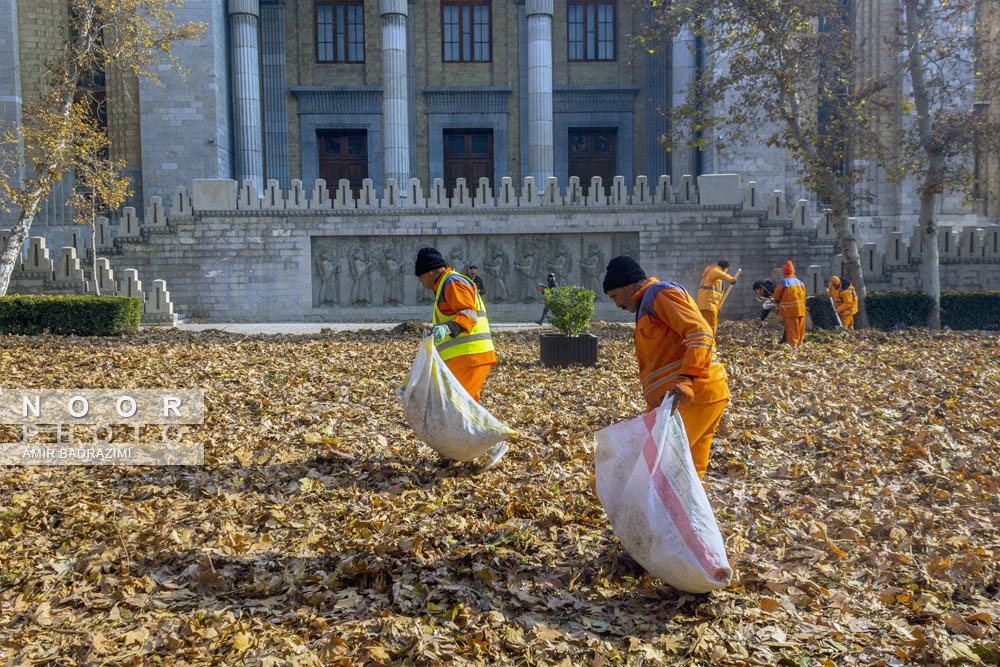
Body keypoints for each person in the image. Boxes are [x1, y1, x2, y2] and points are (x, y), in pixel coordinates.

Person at [602, 256, 731, 480]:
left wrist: (687, 378)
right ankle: (683, 516)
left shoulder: (658, 293)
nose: (617, 305)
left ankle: (658, 515)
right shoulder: (648, 304)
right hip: (688, 398)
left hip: (692, 395)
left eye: (615, 296)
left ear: (630, 285)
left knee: (657, 468)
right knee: (686, 474)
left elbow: (700, 332)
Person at [415, 247, 508, 472]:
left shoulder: (452, 283)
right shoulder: (446, 285)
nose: (421, 284)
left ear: (428, 272)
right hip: (466, 358)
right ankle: (456, 454)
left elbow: (469, 313)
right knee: (458, 407)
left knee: (457, 409)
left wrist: (448, 327)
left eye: (420, 278)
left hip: (470, 355)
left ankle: (492, 447)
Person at [695, 260, 738, 336]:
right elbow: (721, 274)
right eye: (726, 270)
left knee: (705, 325)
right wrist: (731, 279)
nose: (726, 272)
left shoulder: (714, 275)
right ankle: (710, 341)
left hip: (708, 304)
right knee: (711, 325)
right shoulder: (714, 270)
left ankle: (707, 340)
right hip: (708, 305)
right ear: (725, 268)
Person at [772, 260, 806, 347]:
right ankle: (800, 346)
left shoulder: (784, 282)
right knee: (800, 329)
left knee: (792, 330)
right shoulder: (800, 282)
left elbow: (776, 296)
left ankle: (792, 347)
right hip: (801, 311)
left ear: (784, 273)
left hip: (790, 311)